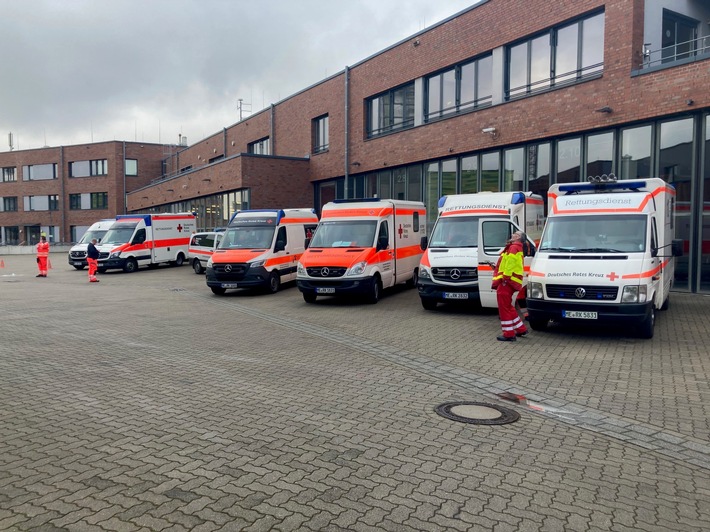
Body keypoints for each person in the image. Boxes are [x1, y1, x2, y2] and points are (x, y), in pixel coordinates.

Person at [491, 231, 528, 341]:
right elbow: (507, 264)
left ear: (518, 237)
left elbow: (510, 265)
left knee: (503, 308)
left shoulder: (513, 248)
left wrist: (505, 278)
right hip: (510, 281)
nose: (512, 235)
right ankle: (521, 329)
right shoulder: (515, 247)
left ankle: (508, 334)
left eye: (515, 234)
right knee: (507, 306)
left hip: (507, 282)